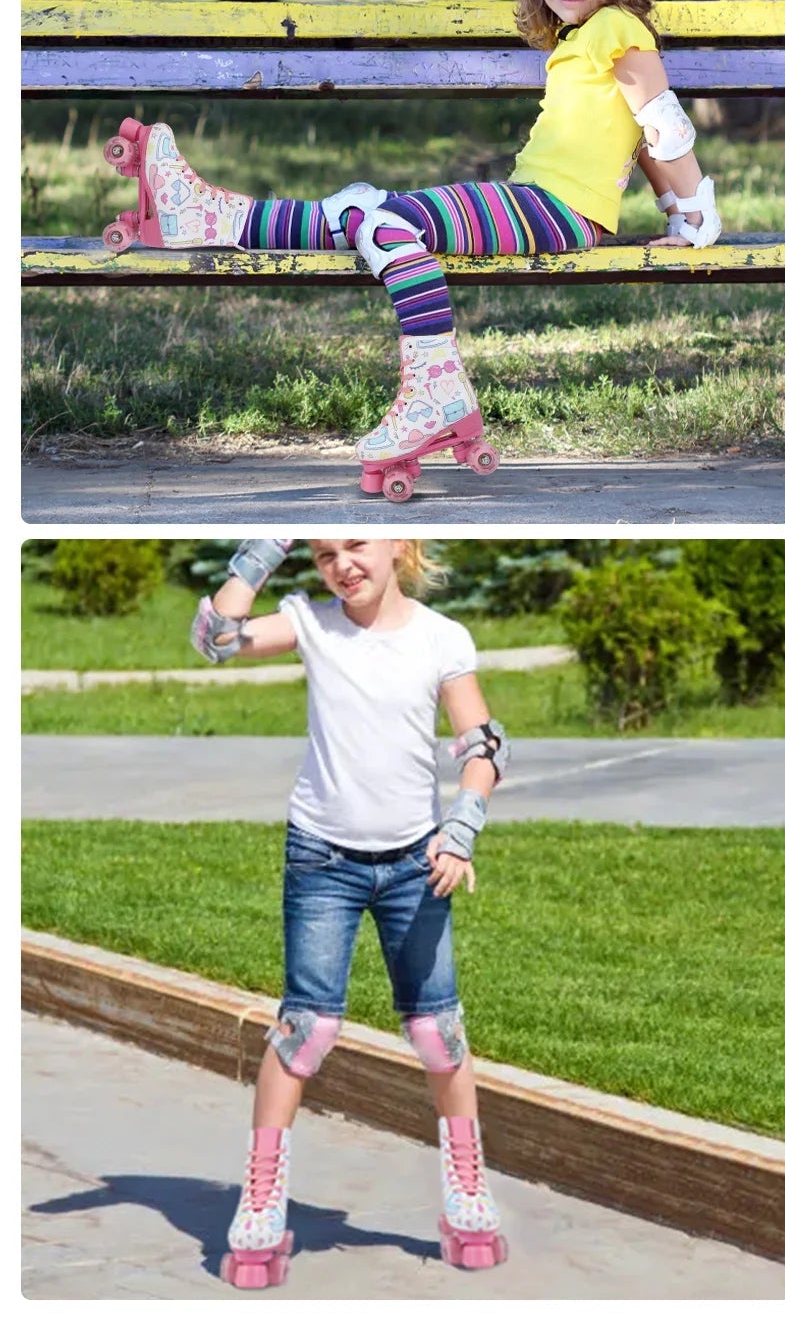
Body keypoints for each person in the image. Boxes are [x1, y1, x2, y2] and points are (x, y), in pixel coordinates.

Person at [99, 0, 722, 495]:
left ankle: (439, 394)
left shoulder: (616, 27)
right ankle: (205, 216)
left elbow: (662, 125)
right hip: (542, 204)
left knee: (382, 221)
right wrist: (676, 211)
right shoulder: (584, 36)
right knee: (359, 212)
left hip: (558, 212)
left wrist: (694, 220)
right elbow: (637, 138)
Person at [190, 537, 511, 1287]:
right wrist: (262, 552)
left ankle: (467, 1186)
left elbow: (483, 743)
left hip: (414, 862)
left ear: (399, 545)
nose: (344, 565)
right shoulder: (308, 620)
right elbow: (216, 640)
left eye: (356, 547)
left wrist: (462, 826)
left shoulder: (442, 637)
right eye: (326, 553)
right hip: (323, 858)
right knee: (307, 1027)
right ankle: (262, 1198)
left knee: (439, 1030)